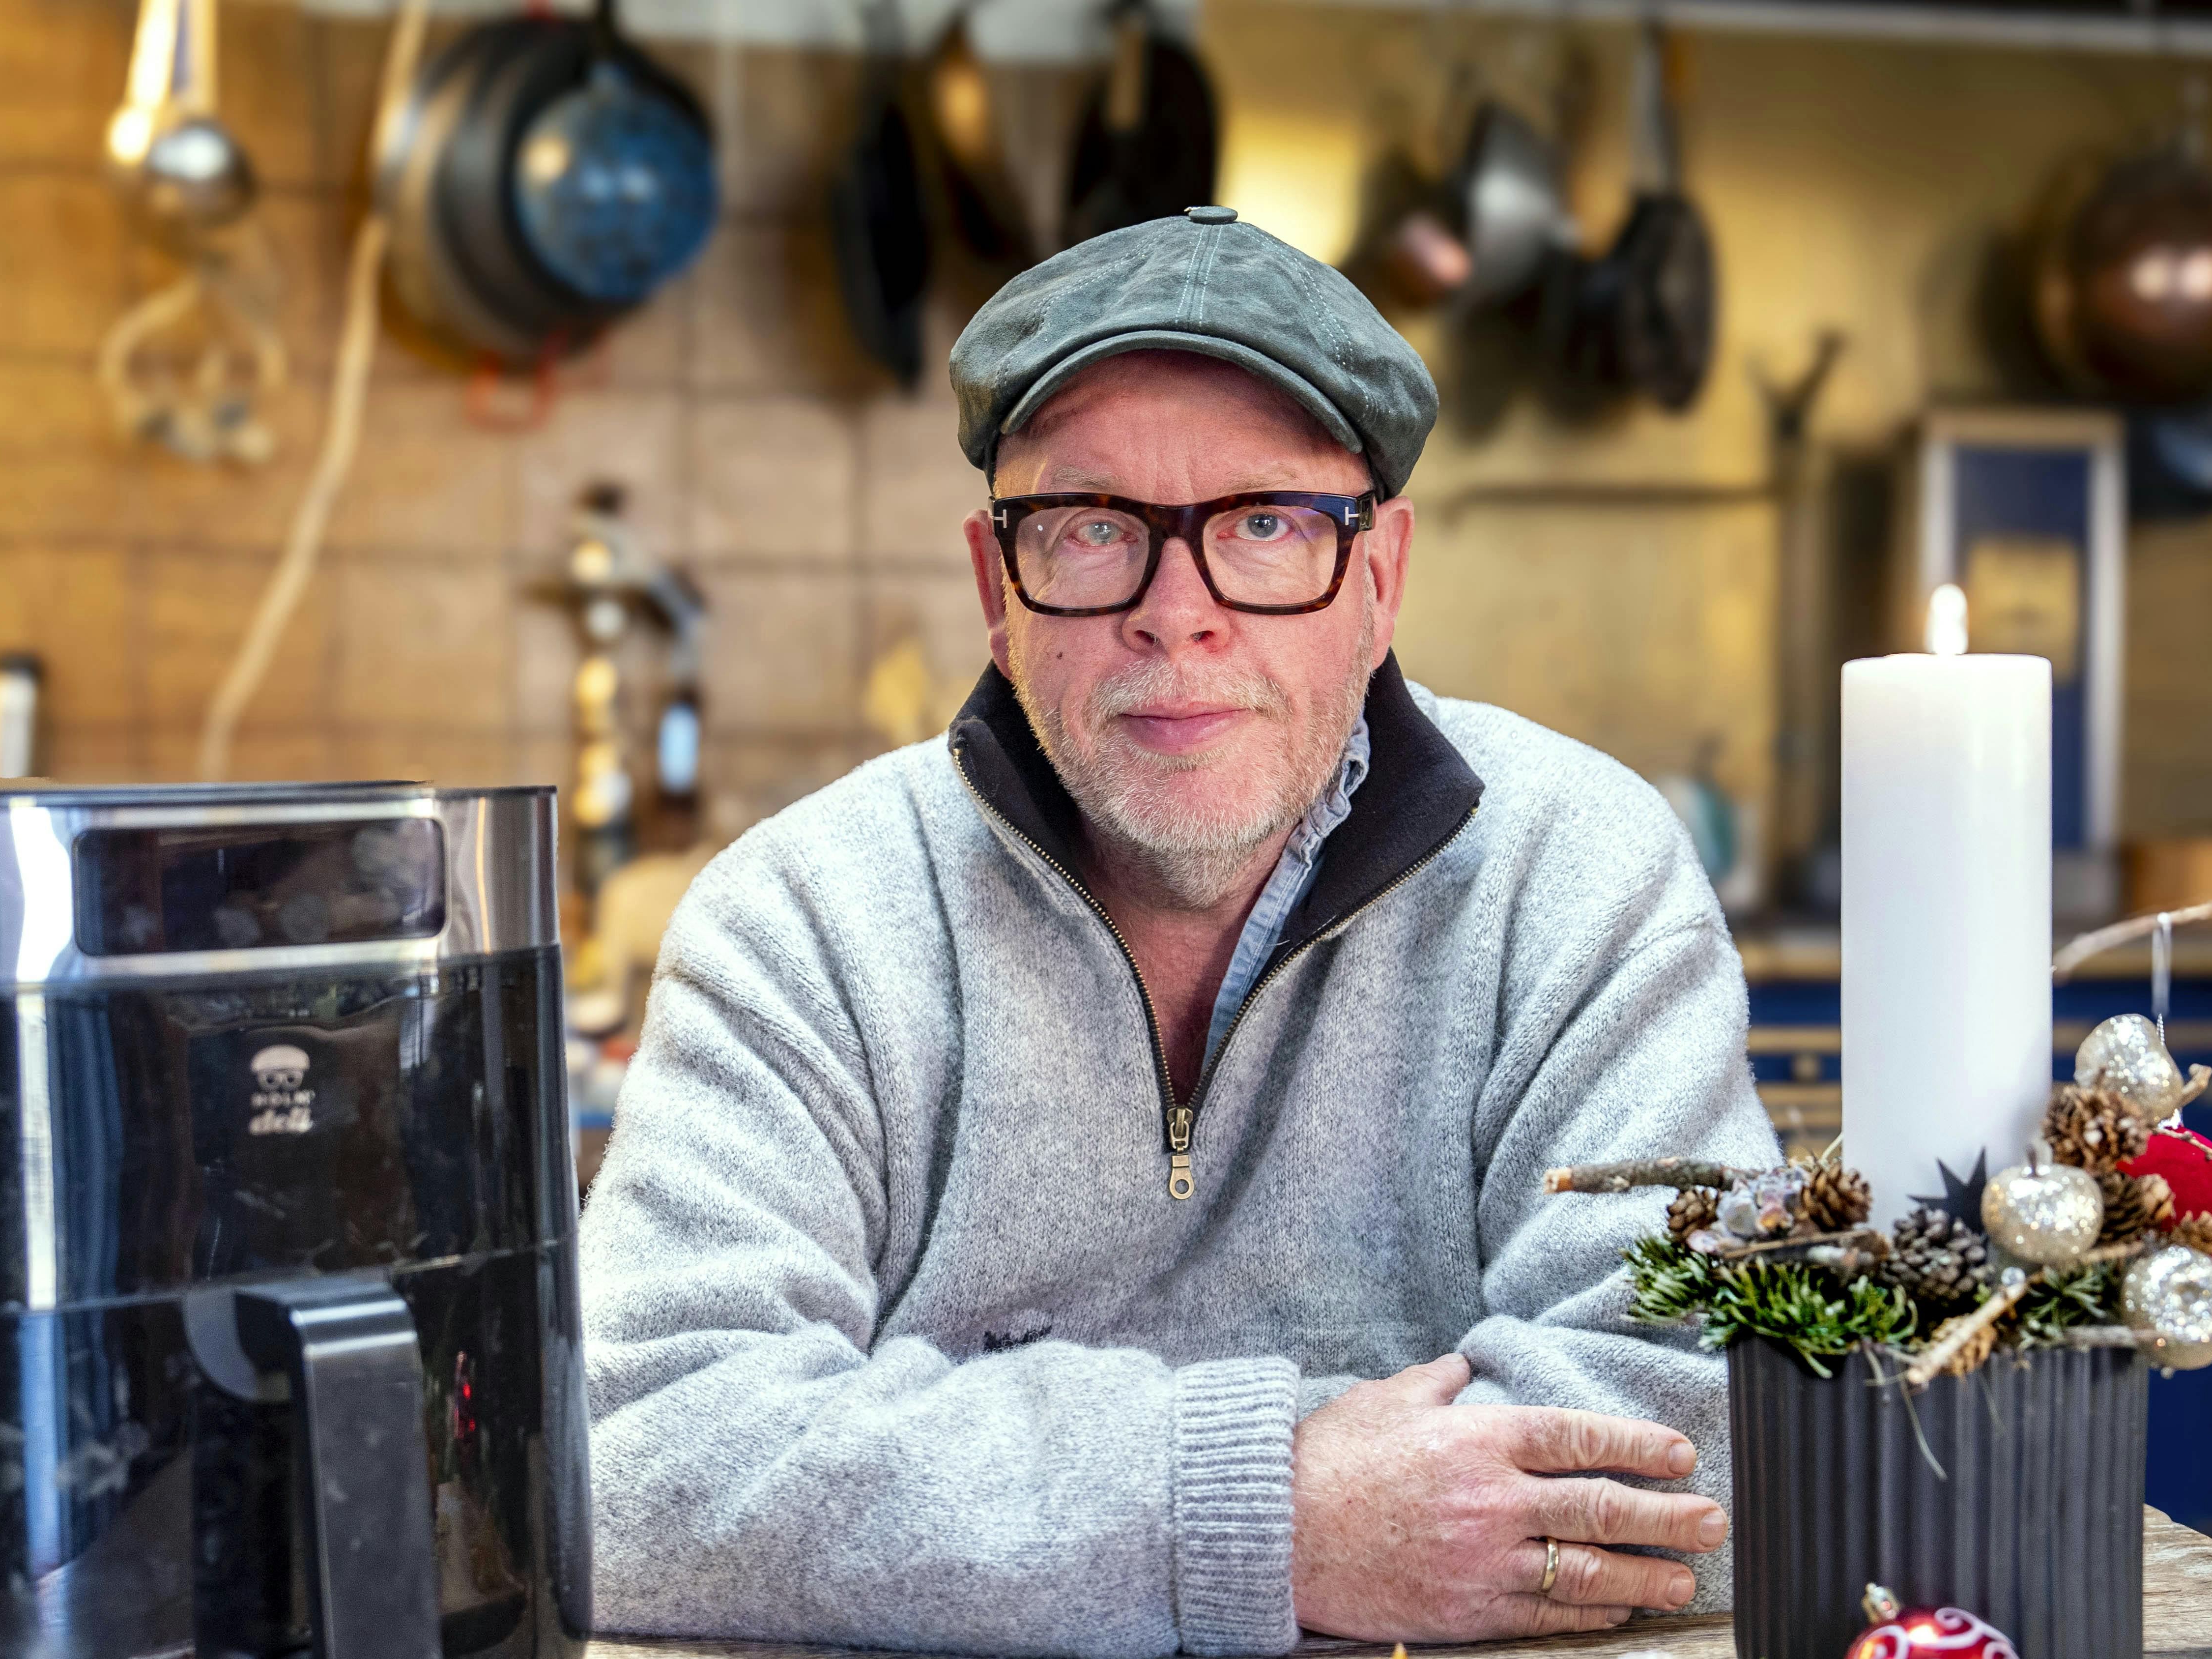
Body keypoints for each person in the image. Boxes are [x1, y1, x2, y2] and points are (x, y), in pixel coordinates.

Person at [578, 206, 1778, 1657]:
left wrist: (925, 1492)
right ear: (994, 588)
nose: (1177, 614)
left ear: (1381, 579)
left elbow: (1705, 1421)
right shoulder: (805, 919)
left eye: (1266, 526)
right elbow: (637, 1455)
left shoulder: (1581, 874)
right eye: (1092, 531)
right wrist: (1265, 1514)